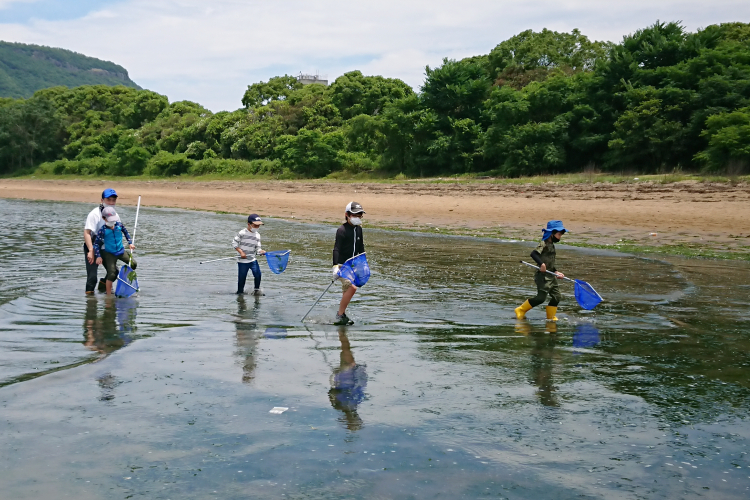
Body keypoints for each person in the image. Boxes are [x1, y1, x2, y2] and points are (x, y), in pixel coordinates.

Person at [515, 220, 567, 321]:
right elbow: (533, 254)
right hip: (542, 276)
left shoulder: (552, 245)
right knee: (541, 298)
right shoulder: (543, 243)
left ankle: (550, 317)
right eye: (559, 234)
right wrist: (541, 264)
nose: (560, 237)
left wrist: (556, 272)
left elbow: (550, 262)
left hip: (551, 275)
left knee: (557, 297)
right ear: (551, 234)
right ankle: (521, 310)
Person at [332, 201, 365, 325]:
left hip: (353, 266)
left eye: (360, 215)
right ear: (347, 215)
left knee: (347, 291)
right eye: (355, 215)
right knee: (352, 287)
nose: (357, 217)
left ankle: (342, 314)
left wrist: (362, 265)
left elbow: (361, 248)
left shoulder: (359, 230)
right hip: (342, 266)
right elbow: (337, 248)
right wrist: (335, 267)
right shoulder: (342, 230)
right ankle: (340, 314)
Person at [93, 206, 136, 295]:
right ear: (104, 219)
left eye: (113, 219)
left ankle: (126, 279)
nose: (112, 222)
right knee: (112, 274)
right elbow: (96, 244)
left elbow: (126, 232)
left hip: (121, 251)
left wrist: (130, 243)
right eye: (110, 220)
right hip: (109, 254)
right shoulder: (102, 230)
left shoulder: (119, 225)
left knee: (133, 264)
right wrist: (98, 256)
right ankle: (108, 295)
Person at [83, 188, 118, 294]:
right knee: (92, 278)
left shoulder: (114, 215)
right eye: (108, 200)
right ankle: (90, 302)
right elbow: (87, 233)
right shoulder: (94, 214)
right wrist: (90, 250)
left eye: (113, 200)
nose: (111, 203)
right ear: (102, 200)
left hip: (106, 247)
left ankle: (103, 286)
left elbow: (117, 231)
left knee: (114, 272)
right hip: (92, 246)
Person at [232, 214, 266, 296]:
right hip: (242, 260)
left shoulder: (257, 235)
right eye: (255, 225)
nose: (257, 227)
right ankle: (240, 293)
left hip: (252, 259)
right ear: (249, 224)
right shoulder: (242, 233)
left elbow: (258, 248)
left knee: (258, 274)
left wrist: (261, 251)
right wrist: (241, 252)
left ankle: (256, 291)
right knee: (242, 278)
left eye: (258, 226)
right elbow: (234, 243)